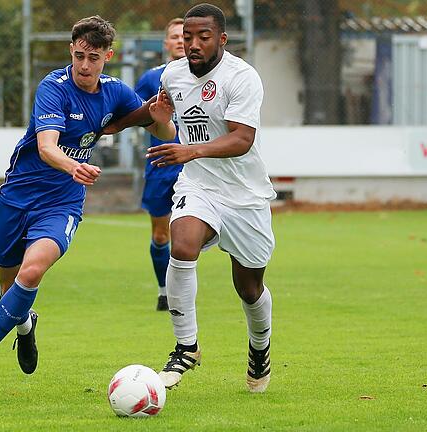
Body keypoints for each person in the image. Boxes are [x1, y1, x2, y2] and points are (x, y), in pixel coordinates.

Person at [0, 15, 175, 389]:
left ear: (109, 55)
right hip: (17, 196)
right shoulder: (52, 87)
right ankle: (25, 325)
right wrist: (75, 164)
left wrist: (161, 119)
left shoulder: (115, 91)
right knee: (9, 288)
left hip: (62, 203)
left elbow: (157, 127)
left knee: (31, 272)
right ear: (70, 51)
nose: (84, 66)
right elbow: (46, 148)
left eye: (93, 57)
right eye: (78, 56)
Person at [105, 3, 277, 393]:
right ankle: (186, 347)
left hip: (245, 195)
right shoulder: (172, 74)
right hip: (198, 185)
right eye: (188, 37)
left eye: (203, 37)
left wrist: (191, 150)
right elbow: (166, 130)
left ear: (222, 38)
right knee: (181, 246)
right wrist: (162, 119)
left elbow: (241, 139)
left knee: (249, 289)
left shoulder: (242, 77)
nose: (194, 44)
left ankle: (260, 346)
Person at [134, 18, 186, 312]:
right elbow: (135, 113)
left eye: (184, 36)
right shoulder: (150, 78)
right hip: (161, 165)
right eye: (174, 36)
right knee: (160, 234)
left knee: (188, 234)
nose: (180, 40)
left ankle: (181, 289)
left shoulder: (203, 77)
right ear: (165, 43)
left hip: (193, 166)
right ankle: (164, 291)